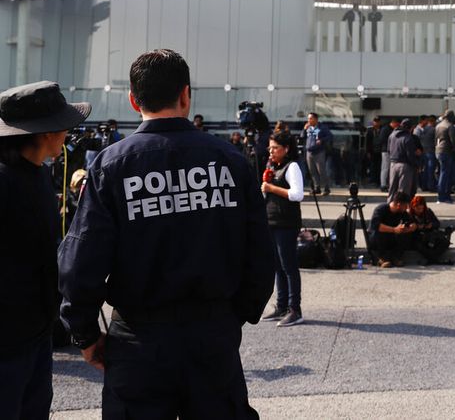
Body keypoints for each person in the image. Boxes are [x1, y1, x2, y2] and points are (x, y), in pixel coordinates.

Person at [58, 49, 274, 418]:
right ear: (186, 95)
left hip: (139, 340)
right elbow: (261, 255)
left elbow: (80, 263)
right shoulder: (231, 161)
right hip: (212, 336)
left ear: (133, 99)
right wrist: (232, 317)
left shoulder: (112, 166)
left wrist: (85, 334)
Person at [0, 81, 90, 418]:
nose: (68, 132)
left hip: (37, 332)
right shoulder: (5, 180)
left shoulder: (39, 174)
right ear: (46, 132)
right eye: (63, 125)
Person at [260, 131, 305, 327]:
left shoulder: (292, 166)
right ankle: (281, 305)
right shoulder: (273, 166)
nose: (271, 151)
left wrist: (271, 188)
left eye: (275, 148)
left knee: (289, 266)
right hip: (272, 221)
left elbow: (297, 194)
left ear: (286, 149)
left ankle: (295, 309)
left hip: (287, 223)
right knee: (277, 266)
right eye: (270, 148)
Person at [369, 192, 416, 268]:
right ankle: (382, 259)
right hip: (377, 239)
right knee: (380, 232)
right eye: (405, 206)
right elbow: (376, 226)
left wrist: (410, 228)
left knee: (406, 234)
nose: (406, 208)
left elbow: (412, 223)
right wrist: (394, 229)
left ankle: (396, 257)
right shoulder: (381, 209)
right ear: (398, 204)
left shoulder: (402, 212)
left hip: (391, 239)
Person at [408, 195, 451, 263]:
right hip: (417, 237)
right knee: (418, 245)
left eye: (422, 208)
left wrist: (431, 225)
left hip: (429, 235)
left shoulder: (428, 212)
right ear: (413, 207)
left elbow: (437, 223)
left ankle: (431, 258)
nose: (420, 211)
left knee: (445, 242)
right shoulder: (409, 214)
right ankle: (434, 258)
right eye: (418, 209)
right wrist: (415, 227)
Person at [387, 118, 421, 201]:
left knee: (392, 189)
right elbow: (410, 155)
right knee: (403, 191)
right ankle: (402, 207)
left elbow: (388, 150)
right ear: (411, 128)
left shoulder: (392, 135)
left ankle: (390, 206)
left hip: (393, 164)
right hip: (405, 165)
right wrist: (416, 165)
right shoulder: (408, 137)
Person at [302, 112, 332, 196]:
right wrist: (304, 129)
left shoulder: (322, 127)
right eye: (308, 118)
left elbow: (330, 136)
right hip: (309, 152)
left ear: (316, 119)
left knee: (321, 171)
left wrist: (321, 140)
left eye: (310, 118)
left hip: (319, 152)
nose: (309, 120)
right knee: (312, 171)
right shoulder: (308, 128)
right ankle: (316, 188)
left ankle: (326, 188)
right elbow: (302, 136)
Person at [435, 110, 455, 203]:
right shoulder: (449, 126)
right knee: (446, 174)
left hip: (438, 150)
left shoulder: (438, 125)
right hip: (447, 151)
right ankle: (443, 196)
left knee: (442, 173)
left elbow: (435, 139)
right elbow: (453, 141)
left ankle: (442, 196)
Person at [414, 115, 437, 192]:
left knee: (425, 170)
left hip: (423, 152)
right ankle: (431, 186)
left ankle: (424, 186)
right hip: (430, 151)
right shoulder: (433, 129)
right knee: (430, 170)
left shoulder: (421, 129)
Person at [379, 118, 398, 192]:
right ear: (394, 123)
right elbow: (382, 140)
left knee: (388, 168)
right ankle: (383, 184)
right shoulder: (386, 129)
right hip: (386, 151)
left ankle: (387, 184)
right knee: (385, 168)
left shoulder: (390, 129)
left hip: (390, 150)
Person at [366, 116, 383, 185]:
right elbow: (367, 142)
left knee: (379, 166)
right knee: (372, 166)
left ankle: (378, 180)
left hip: (380, 151)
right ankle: (373, 180)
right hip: (372, 151)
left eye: (377, 121)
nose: (376, 123)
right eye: (375, 121)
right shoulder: (370, 130)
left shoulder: (382, 129)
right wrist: (368, 152)